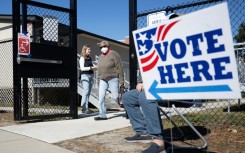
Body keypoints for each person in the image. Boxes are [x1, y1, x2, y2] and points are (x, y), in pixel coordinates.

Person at [122, 75, 165, 153]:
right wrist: (143, 82)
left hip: (178, 89)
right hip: (156, 86)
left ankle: (158, 140)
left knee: (146, 95)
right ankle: (142, 133)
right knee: (128, 97)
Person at [94, 40, 125, 120]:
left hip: (113, 78)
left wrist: (122, 81)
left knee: (115, 97)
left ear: (108, 46)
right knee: (101, 97)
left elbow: (119, 67)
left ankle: (127, 108)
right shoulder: (100, 57)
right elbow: (99, 68)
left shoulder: (114, 54)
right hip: (103, 79)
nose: (102, 48)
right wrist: (98, 79)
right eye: (101, 47)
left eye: (104, 46)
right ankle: (102, 115)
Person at [79, 45, 97, 114]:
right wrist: (90, 68)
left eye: (90, 49)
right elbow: (82, 68)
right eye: (88, 49)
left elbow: (91, 66)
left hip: (91, 75)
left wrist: (95, 67)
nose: (90, 50)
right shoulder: (82, 58)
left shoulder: (90, 58)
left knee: (88, 93)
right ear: (85, 50)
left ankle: (86, 108)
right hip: (85, 75)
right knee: (86, 91)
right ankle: (83, 106)